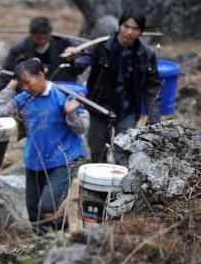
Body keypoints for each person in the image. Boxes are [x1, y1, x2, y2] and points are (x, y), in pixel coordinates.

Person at [0, 58, 89, 235]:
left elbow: (82, 127)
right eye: (21, 84)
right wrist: (11, 85)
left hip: (64, 158)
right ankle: (43, 243)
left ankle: (62, 236)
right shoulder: (24, 98)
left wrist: (71, 113)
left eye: (28, 82)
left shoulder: (63, 95)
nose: (25, 88)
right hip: (35, 159)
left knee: (48, 205)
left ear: (41, 75)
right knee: (33, 208)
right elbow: (0, 111)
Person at [61, 12, 161, 163]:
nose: (129, 32)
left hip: (128, 110)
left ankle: (122, 185)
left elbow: (152, 87)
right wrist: (71, 59)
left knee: (124, 153)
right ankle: (97, 185)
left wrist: (154, 119)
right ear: (120, 26)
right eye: (126, 26)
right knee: (97, 152)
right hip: (99, 107)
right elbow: (79, 66)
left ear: (140, 31)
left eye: (134, 28)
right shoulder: (101, 47)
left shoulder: (145, 53)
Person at [0, 16, 80, 90]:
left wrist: (70, 59)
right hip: (29, 90)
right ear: (31, 35)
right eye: (39, 38)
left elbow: (76, 68)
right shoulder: (20, 49)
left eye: (46, 38)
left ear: (50, 34)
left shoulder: (63, 44)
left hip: (58, 88)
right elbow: (7, 73)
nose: (42, 41)